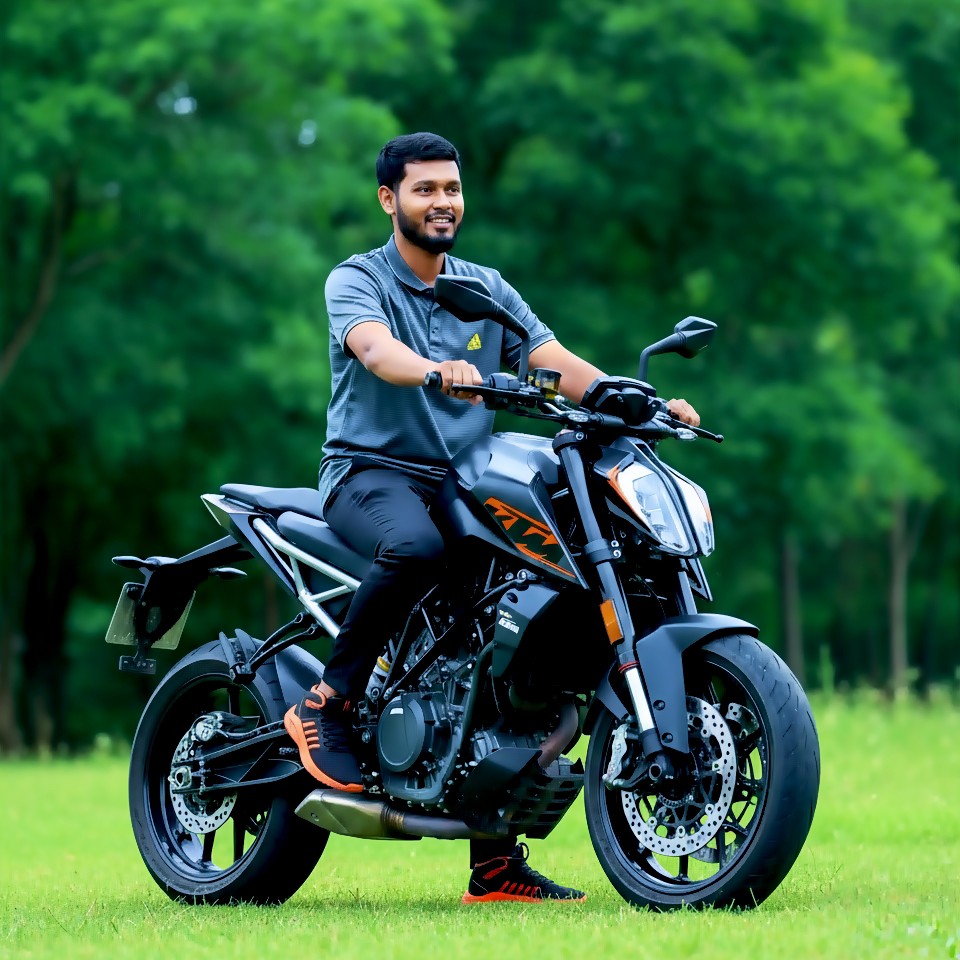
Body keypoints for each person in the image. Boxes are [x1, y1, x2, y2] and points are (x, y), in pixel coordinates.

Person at [284, 132, 700, 904]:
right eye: (425, 189)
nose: (442, 202)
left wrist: (638, 401)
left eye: (452, 188)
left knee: (516, 624)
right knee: (415, 547)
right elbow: (375, 351)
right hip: (371, 474)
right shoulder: (358, 278)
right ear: (389, 200)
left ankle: (494, 866)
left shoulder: (483, 288)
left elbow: (554, 362)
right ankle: (326, 703)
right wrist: (434, 369)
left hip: (462, 481)